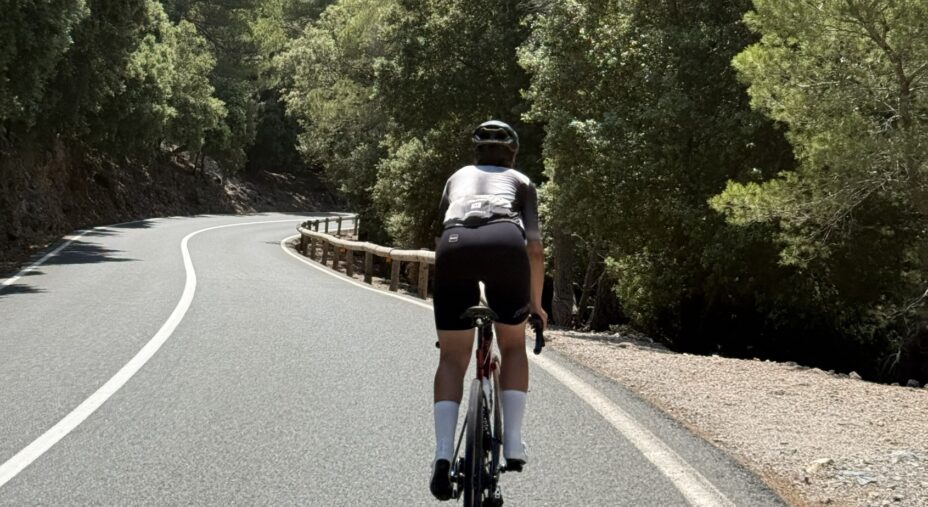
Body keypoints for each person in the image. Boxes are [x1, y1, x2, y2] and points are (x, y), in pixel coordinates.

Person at [429, 120, 547, 500]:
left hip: (454, 245)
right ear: (512, 152)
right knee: (512, 345)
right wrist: (537, 303)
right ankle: (513, 442)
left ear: (475, 152)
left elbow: (440, 232)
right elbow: (534, 248)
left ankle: (443, 453)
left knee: (451, 358)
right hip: (505, 242)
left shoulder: (455, 178)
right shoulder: (523, 182)